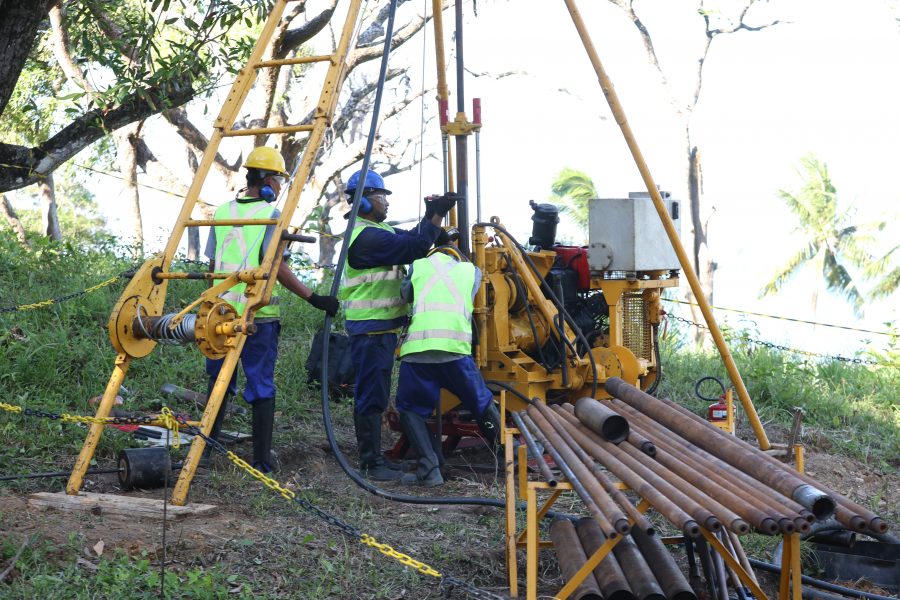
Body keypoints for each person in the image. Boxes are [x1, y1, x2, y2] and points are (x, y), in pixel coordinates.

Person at [204, 146, 339, 473]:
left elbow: (211, 265)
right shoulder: (270, 216)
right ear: (265, 180)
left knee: (218, 382)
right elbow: (277, 267)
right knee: (260, 383)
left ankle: (206, 455)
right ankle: (262, 461)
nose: (280, 187)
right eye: (279, 180)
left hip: (218, 315)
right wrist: (313, 297)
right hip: (257, 316)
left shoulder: (221, 212)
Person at [340, 168, 458, 481]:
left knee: (374, 392)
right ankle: (371, 463)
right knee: (371, 395)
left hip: (378, 329)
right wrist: (434, 217)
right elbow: (414, 248)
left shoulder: (379, 232)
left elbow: (412, 240)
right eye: (381, 196)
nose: (386, 203)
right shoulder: (365, 237)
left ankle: (374, 459)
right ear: (364, 202)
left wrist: (433, 218)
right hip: (371, 328)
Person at [394, 247, 501, 486]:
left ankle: (429, 470)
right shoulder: (470, 271)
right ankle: (509, 457)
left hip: (418, 352)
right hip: (455, 351)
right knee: (481, 401)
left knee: (410, 409)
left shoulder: (418, 266)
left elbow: (406, 295)